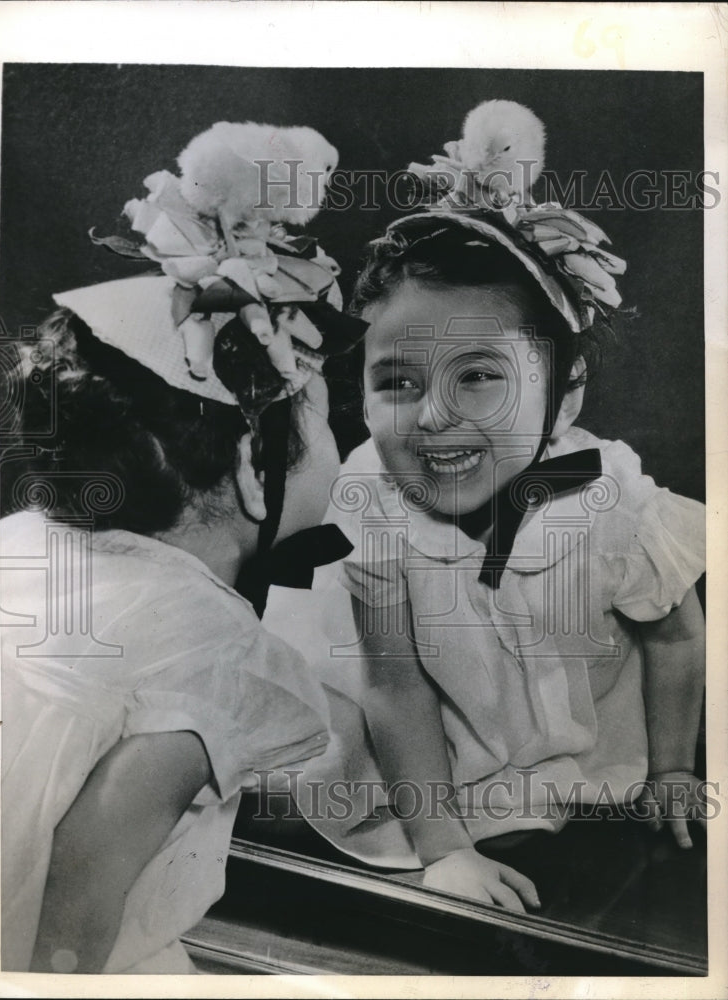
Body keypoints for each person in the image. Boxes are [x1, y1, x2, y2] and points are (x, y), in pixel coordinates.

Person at [266, 107, 707, 914]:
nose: (433, 417)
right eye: (396, 383)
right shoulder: (374, 494)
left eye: (477, 377)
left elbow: (676, 635)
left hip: (563, 740)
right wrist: (442, 852)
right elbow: (394, 685)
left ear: (563, 393)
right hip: (421, 736)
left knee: (578, 861)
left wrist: (673, 767)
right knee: (291, 798)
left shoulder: (610, 496)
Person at [0, 126, 364, 974]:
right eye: (321, 424)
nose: (341, 447)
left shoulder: (23, 550)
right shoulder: (203, 643)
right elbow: (70, 912)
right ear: (250, 468)